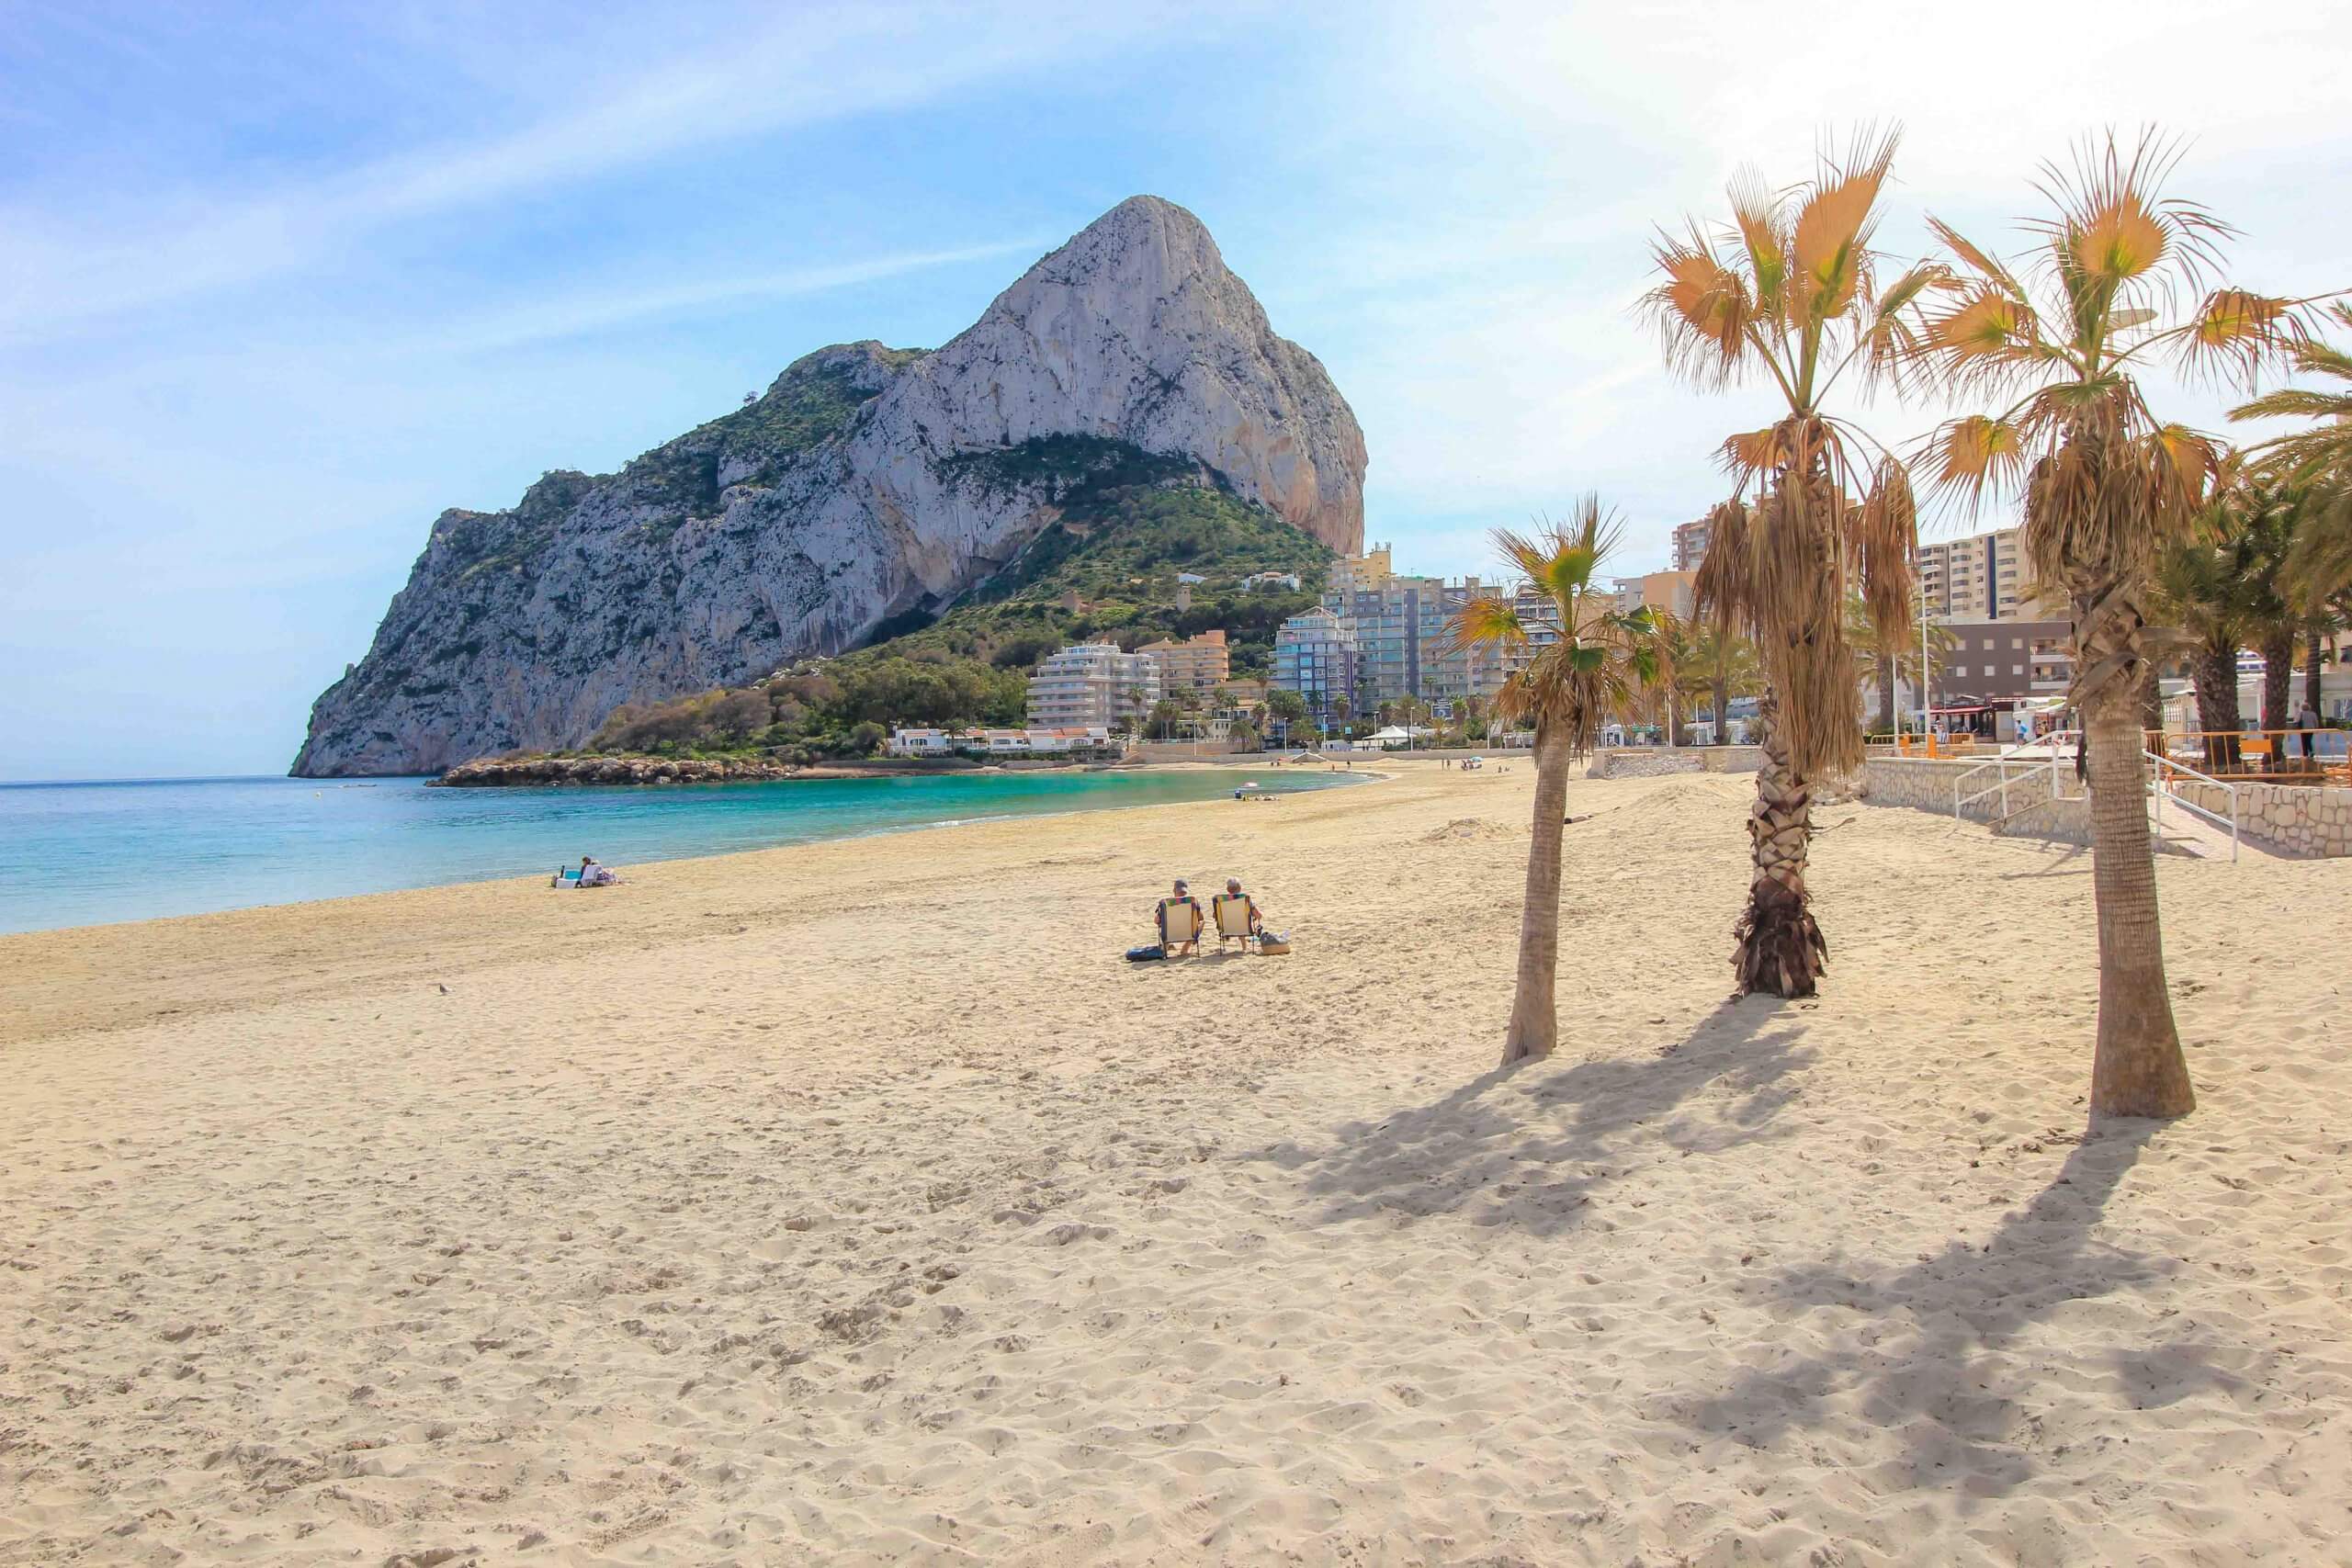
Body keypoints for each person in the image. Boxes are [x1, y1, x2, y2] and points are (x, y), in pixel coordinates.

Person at [1155, 878, 1202, 956]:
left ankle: (1165, 949)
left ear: (1174, 890)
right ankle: (1185, 949)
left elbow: (1156, 921)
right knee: (1201, 923)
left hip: (1170, 934)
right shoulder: (1192, 901)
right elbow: (1201, 918)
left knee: (1164, 925)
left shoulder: (1166, 903)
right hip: (1189, 933)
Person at [2298, 698, 2322, 762]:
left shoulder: (2301, 714)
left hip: (2303, 729)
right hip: (2311, 729)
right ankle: (2311, 752)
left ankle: (2305, 754)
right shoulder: (2313, 714)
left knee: (2304, 742)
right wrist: (2316, 728)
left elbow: (2297, 721)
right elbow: (2316, 722)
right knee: (2308, 740)